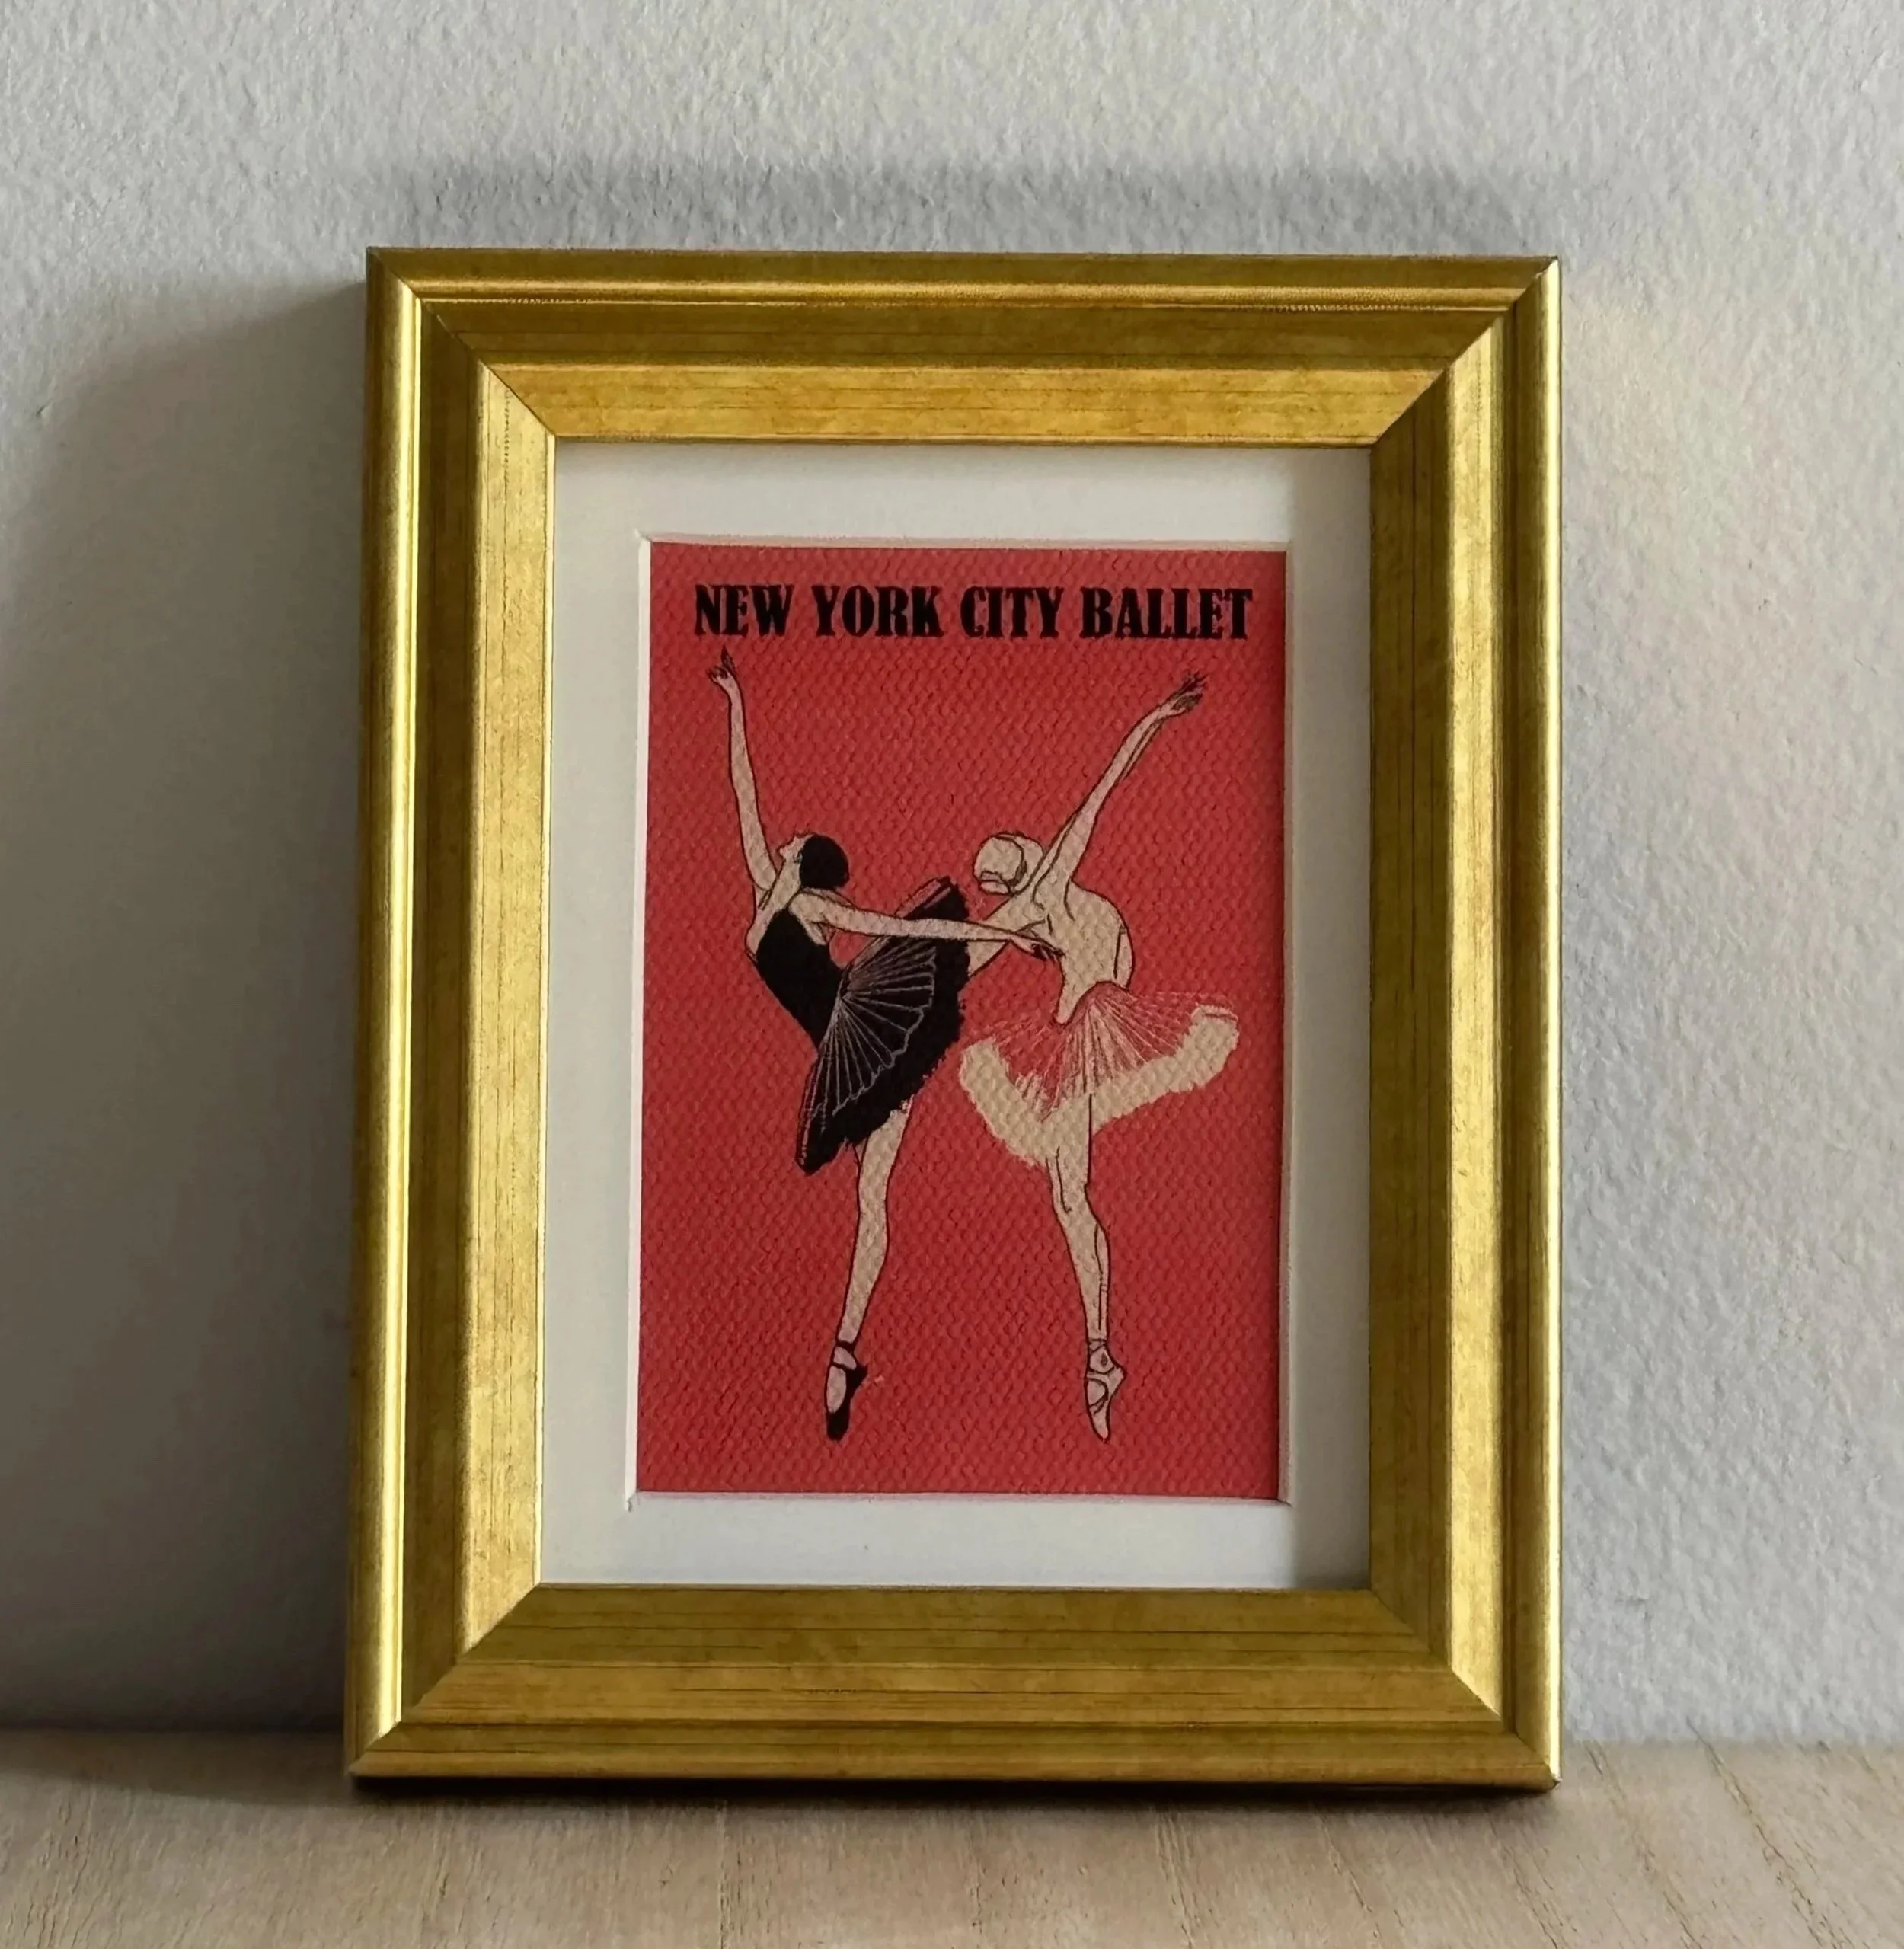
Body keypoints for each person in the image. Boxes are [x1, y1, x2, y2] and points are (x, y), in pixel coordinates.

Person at [710, 650, 1056, 1439]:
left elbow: (745, 799)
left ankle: (843, 1352)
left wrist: (734, 703)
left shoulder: (773, 911)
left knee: (873, 1202)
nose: (783, 841)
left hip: (842, 1049)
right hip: (862, 1031)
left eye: (792, 843)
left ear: (796, 864)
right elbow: (899, 923)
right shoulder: (805, 904)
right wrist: (733, 702)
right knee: (875, 1195)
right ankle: (1024, 915)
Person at [958, 676, 1238, 1439]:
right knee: (1070, 1198)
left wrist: (982, 935)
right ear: (1029, 862)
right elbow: (1103, 788)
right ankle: (1099, 1354)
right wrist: (1153, 716)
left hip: (1089, 1030)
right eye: (1025, 850)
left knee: (1070, 1197)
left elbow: (963, 952)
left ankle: (1100, 1354)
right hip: (1081, 1035)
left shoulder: (1025, 909)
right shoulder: (1045, 888)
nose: (1034, 845)